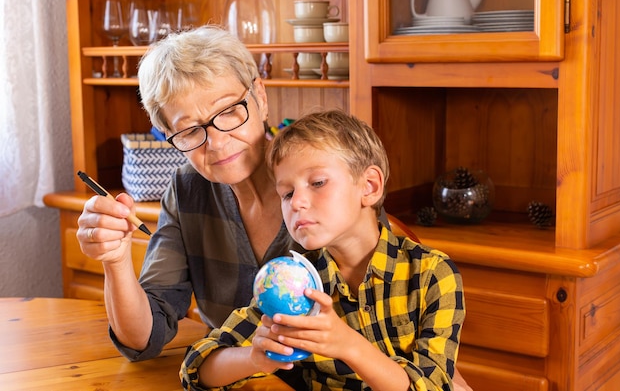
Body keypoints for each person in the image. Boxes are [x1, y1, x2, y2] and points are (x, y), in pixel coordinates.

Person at [180, 109, 466, 391]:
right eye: (287, 193)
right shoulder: (292, 283)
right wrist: (254, 357)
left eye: (317, 183)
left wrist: (348, 345)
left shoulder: (431, 274)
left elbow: (434, 386)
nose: (297, 202)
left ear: (369, 186)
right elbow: (196, 369)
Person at [76, 25, 305, 362]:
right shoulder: (187, 190)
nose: (217, 142)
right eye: (188, 130)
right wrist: (116, 260)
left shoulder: (322, 176)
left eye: (228, 111)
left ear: (260, 96)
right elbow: (144, 338)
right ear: (170, 135)